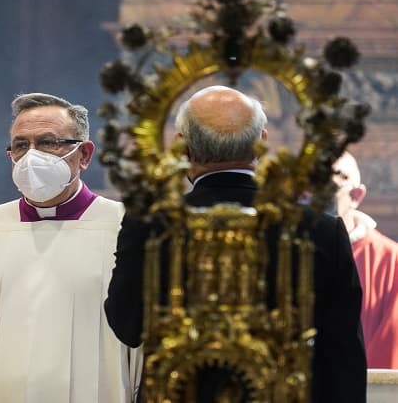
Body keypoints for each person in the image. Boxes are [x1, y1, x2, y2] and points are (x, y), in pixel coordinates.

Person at [104, 85, 366, 402]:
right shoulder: (322, 231)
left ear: (181, 146)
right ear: (262, 142)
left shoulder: (149, 225)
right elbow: (343, 359)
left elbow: (127, 326)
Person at [0, 93, 142, 403]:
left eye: (48, 142)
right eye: (21, 145)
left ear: (84, 154)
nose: (32, 156)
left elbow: (143, 349)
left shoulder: (127, 230)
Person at [333, 151, 398, 369]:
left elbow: (390, 345)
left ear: (356, 196)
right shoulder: (287, 250)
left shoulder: (391, 261)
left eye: (330, 188)